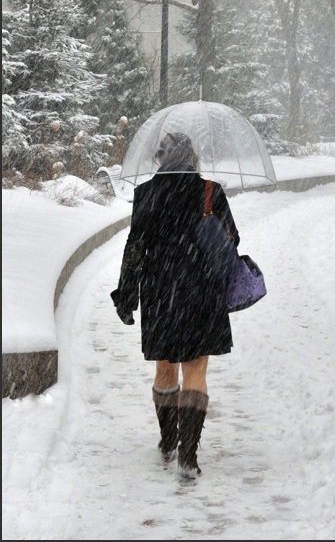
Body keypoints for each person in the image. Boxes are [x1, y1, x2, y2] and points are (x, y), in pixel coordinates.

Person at [110, 131, 240, 478]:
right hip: (202, 291)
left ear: (160, 158)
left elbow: (135, 247)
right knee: (196, 368)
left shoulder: (147, 194)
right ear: (193, 158)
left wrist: (126, 294)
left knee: (165, 367)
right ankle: (188, 453)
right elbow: (232, 240)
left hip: (161, 291)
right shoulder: (210, 191)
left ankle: (168, 439)